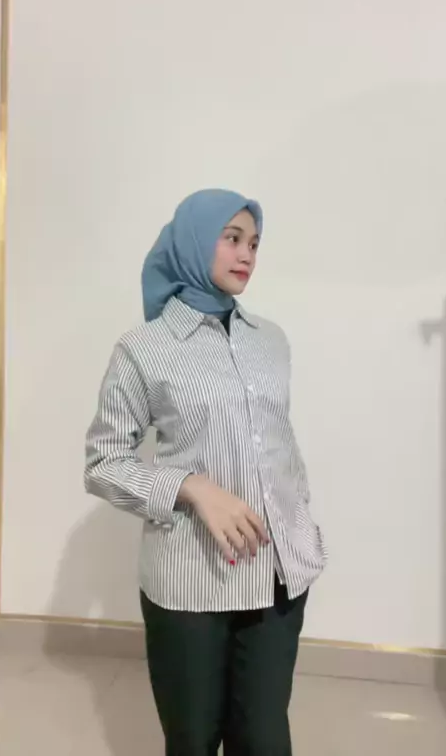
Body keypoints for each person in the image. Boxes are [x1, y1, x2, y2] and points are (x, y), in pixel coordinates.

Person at [85, 188, 327, 756]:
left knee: (265, 741)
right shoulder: (144, 348)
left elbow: (280, 443)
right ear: (194, 242)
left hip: (275, 578)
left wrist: (301, 523)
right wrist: (189, 486)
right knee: (193, 741)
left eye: (255, 244)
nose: (247, 254)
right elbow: (102, 462)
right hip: (190, 581)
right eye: (232, 238)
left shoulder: (271, 341)